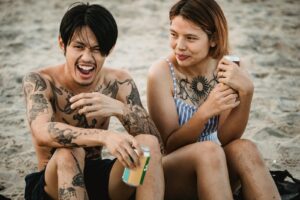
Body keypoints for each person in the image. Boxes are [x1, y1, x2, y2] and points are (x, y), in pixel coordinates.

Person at [22, 2, 164, 200]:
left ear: (109, 49)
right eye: (79, 47)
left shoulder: (119, 81)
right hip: (52, 184)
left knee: (147, 144)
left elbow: (158, 146)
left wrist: (121, 109)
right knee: (70, 153)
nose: (87, 58)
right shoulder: (41, 81)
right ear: (62, 44)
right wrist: (104, 136)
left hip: (101, 180)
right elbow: (41, 132)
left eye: (97, 50)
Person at [147, 0, 280, 199]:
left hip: (214, 168)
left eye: (190, 38)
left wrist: (247, 94)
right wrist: (205, 112)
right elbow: (169, 145)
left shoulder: (228, 69)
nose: (179, 46)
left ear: (214, 39)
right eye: (174, 35)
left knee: (245, 148)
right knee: (208, 150)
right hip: (173, 172)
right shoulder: (161, 73)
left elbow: (227, 138)